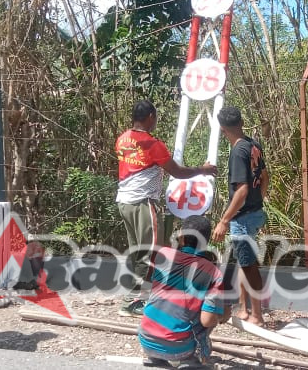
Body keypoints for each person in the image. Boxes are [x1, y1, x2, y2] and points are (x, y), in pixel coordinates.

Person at [115, 100, 216, 317]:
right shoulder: (152, 144)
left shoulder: (123, 139)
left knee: (137, 251)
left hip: (124, 202)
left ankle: (134, 295)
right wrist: (203, 170)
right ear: (151, 116)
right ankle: (135, 302)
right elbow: (177, 172)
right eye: (156, 116)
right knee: (150, 252)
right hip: (143, 203)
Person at [138, 215, 228, 369]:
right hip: (179, 349)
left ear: (181, 238)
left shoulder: (162, 254)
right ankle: (192, 360)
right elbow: (207, 320)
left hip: (146, 339)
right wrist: (223, 315)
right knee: (211, 312)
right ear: (206, 242)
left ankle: (156, 357)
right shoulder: (213, 272)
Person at [211, 106, 269, 326]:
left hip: (242, 217)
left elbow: (242, 190)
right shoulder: (253, 144)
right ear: (241, 123)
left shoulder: (237, 151)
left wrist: (224, 220)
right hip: (254, 213)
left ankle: (257, 315)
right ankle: (243, 309)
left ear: (223, 129)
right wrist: (258, 201)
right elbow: (264, 177)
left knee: (249, 265)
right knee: (244, 263)